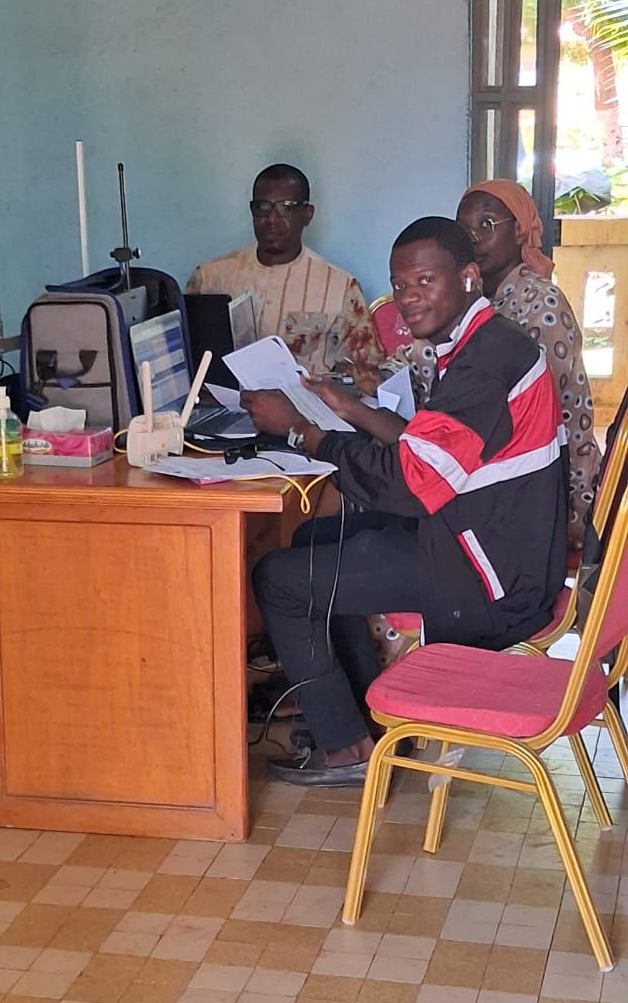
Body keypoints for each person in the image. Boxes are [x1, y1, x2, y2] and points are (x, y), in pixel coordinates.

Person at [242, 217, 568, 788]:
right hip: (485, 541)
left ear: (468, 278)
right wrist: (347, 409)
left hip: (489, 579)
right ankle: (372, 721)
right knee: (314, 540)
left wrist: (301, 432)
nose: (408, 299)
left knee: (279, 578)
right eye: (400, 285)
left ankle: (346, 748)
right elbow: (432, 444)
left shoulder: (484, 364)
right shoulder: (483, 342)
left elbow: (412, 482)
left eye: (424, 281)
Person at [456, 179, 601, 549]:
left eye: (486, 225)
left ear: (520, 230)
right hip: (508, 471)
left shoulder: (542, 304)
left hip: (554, 487)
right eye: (464, 229)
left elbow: (524, 410)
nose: (472, 237)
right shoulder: (481, 300)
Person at [185, 163, 384, 388]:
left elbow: (365, 375)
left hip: (307, 415)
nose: (271, 219)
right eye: (262, 207)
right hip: (221, 408)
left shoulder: (340, 287)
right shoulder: (210, 278)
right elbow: (185, 356)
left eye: (285, 208)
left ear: (307, 214)